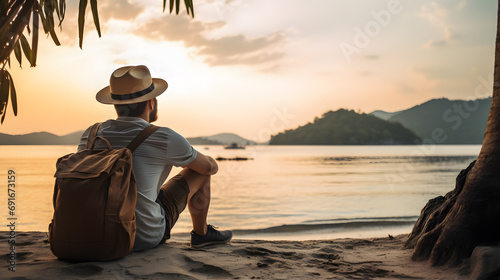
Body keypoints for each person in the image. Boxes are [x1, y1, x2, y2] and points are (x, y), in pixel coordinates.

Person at [77, 65, 232, 251]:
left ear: (115, 105)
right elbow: (208, 168)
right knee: (199, 172)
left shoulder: (91, 134)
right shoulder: (162, 136)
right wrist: (204, 159)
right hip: (141, 237)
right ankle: (202, 234)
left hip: (87, 233)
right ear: (151, 102)